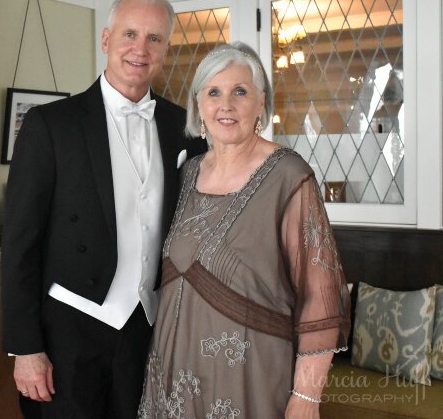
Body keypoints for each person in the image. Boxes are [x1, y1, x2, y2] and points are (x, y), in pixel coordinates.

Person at [0, 0, 208, 419]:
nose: (140, 48)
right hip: (67, 334)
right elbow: (20, 245)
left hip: (147, 330)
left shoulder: (184, 129)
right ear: (106, 40)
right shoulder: (51, 125)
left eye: (154, 38)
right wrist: (26, 348)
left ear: (166, 50)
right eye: (130, 33)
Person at [137, 42, 351, 419]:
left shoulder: (289, 175)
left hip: (251, 379)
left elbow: (321, 297)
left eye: (240, 91)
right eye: (214, 92)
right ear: (198, 105)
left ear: (261, 103)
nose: (226, 105)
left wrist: (307, 396)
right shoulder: (187, 174)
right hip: (172, 378)